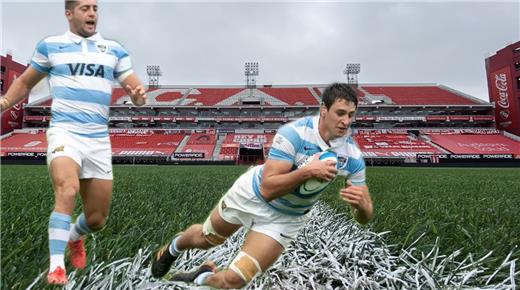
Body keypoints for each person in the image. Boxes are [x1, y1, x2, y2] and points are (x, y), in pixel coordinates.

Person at [151, 83, 373, 289]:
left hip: (286, 218)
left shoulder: (351, 156)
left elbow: (364, 216)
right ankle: (172, 249)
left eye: (351, 115)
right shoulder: (294, 134)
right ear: (324, 109)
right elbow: (268, 189)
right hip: (251, 194)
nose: (346, 121)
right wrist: (307, 171)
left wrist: (363, 208)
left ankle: (200, 276)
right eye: (340, 113)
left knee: (235, 279)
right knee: (206, 239)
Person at [0, 0, 147, 285]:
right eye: (85, 8)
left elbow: (132, 83)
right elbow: (26, 82)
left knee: (96, 219)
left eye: (95, 8)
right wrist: (5, 101)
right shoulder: (51, 46)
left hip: (97, 140)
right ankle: (56, 266)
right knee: (68, 189)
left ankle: (74, 237)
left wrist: (139, 95)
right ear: (69, 14)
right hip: (64, 132)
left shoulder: (115, 50)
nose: (92, 13)